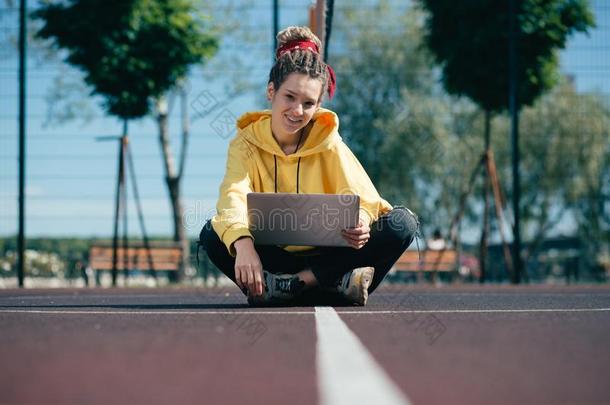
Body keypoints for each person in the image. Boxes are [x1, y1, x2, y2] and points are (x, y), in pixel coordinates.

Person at [199, 26, 418, 306]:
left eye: (308, 103)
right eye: (289, 97)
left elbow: (363, 198)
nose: (297, 111)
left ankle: (292, 286)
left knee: (401, 224)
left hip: (331, 256)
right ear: (271, 91)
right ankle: (335, 286)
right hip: (275, 257)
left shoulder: (329, 141)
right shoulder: (245, 144)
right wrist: (243, 244)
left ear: (317, 106)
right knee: (213, 235)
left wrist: (361, 221)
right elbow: (233, 197)